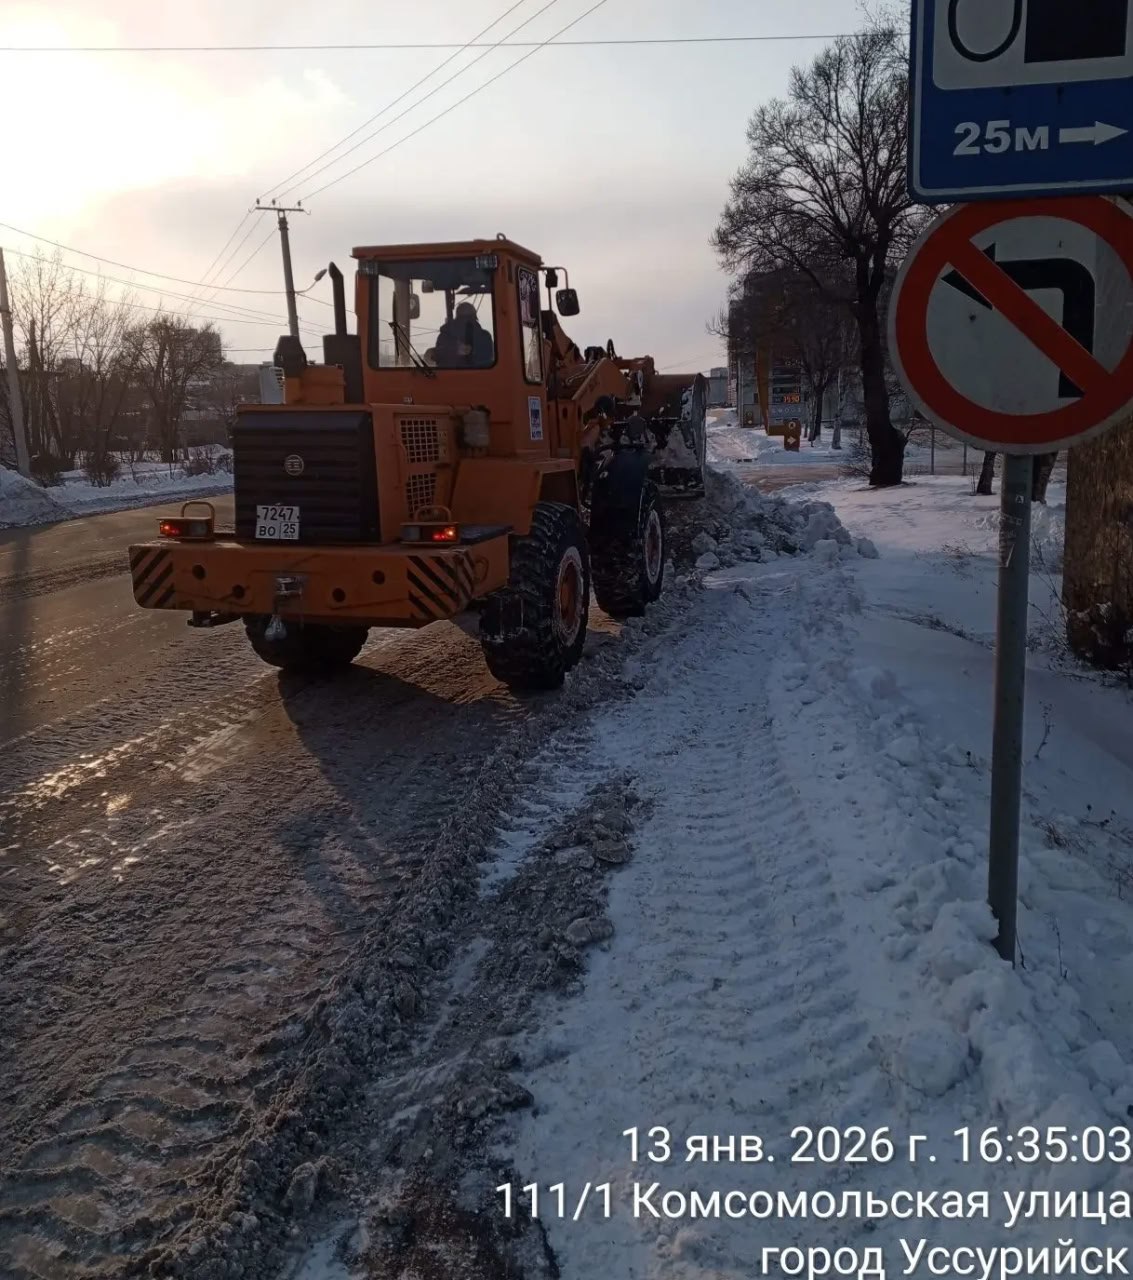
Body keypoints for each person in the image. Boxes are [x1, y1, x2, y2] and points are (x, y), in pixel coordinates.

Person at [436, 301, 493, 367]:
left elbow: (438, 359)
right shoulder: (485, 336)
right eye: (463, 318)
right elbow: (488, 359)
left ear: (456, 317)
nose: (465, 321)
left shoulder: (444, 336)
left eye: (468, 318)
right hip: (481, 375)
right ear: (475, 317)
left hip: (450, 376)